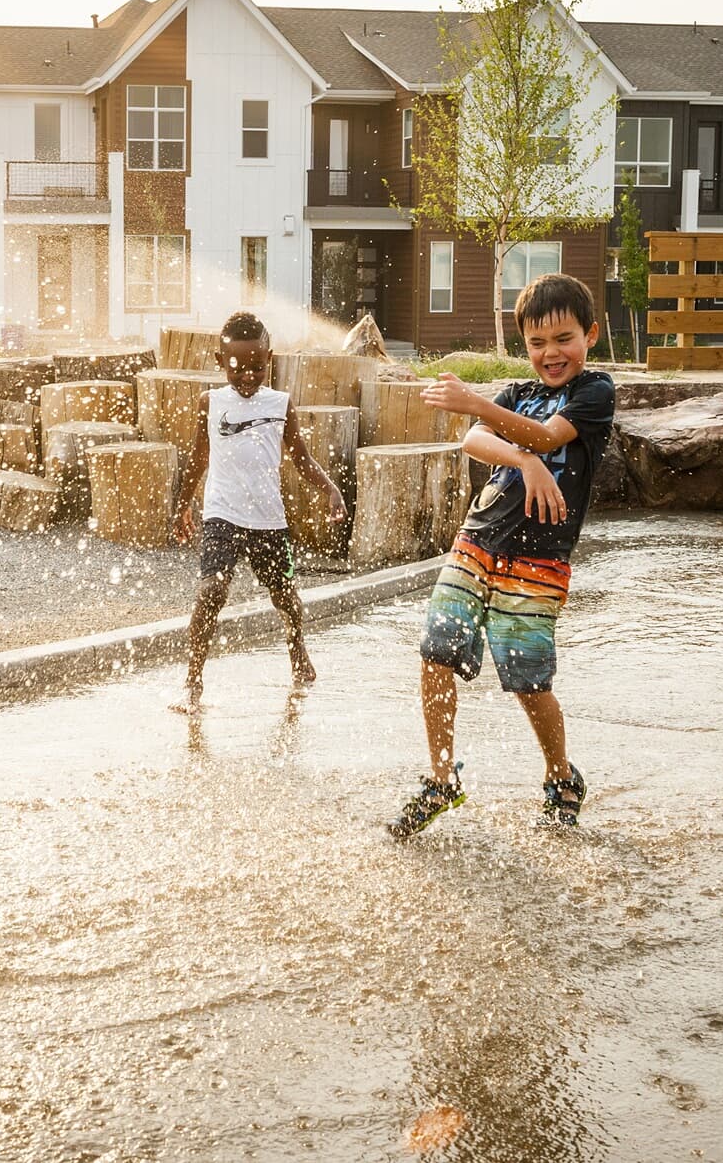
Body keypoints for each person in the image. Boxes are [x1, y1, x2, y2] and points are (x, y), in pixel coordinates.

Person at [388, 273, 616, 838]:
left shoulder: (595, 393)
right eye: (537, 343)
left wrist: (479, 407)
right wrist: (524, 461)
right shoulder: (517, 393)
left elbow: (547, 436)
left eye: (563, 339)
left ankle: (561, 775)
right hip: (476, 542)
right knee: (435, 652)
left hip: (538, 560)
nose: (550, 353)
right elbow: (474, 440)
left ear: (590, 334)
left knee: (528, 680)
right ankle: (442, 778)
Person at [172, 312, 347, 706]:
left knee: (284, 595)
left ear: (270, 359)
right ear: (220, 361)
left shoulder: (280, 404)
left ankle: (297, 651)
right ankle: (192, 680)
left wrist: (331, 489)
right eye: (237, 367)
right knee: (212, 590)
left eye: (256, 367)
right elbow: (198, 458)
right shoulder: (211, 403)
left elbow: (302, 460)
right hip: (222, 514)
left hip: (269, 519)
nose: (247, 376)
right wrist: (182, 506)